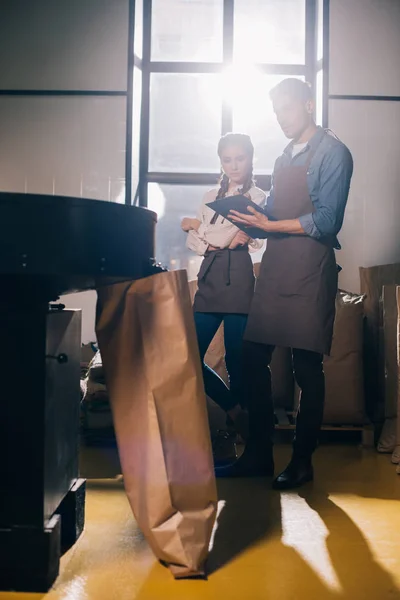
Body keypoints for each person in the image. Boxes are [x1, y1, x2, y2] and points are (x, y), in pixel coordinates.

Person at [225, 78, 353, 489]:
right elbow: (277, 209)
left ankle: (301, 461)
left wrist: (270, 223)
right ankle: (259, 453)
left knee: (306, 368)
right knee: (249, 357)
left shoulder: (334, 152)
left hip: (310, 267)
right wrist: (248, 216)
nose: (281, 118)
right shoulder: (283, 156)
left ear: (309, 105)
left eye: (288, 109)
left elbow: (328, 220)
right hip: (277, 266)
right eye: (276, 111)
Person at [181, 133, 265, 443]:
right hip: (210, 278)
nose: (234, 165)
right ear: (221, 161)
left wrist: (196, 226)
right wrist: (218, 238)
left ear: (250, 159)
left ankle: (245, 436)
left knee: (236, 359)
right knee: (189, 354)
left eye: (240, 158)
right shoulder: (207, 197)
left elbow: (238, 238)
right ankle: (234, 409)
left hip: (239, 280)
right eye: (227, 159)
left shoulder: (257, 197)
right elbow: (198, 245)